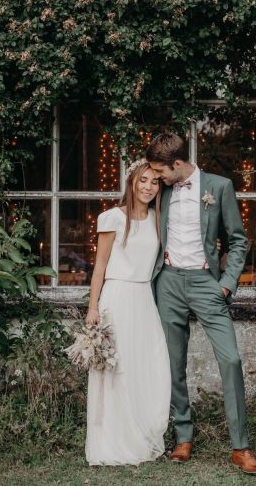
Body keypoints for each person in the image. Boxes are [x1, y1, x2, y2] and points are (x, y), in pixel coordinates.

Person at [146, 133, 256, 475]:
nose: (158, 178)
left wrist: (227, 285)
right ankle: (183, 435)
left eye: (161, 171)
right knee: (173, 364)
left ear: (179, 164)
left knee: (231, 359)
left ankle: (241, 447)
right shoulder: (161, 191)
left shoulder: (220, 187)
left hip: (206, 283)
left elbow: (238, 241)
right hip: (168, 281)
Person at [84, 160, 170, 466]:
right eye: (142, 180)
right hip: (117, 297)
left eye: (155, 182)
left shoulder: (159, 219)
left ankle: (142, 431)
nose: (148, 187)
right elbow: (99, 268)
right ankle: (115, 441)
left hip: (144, 299)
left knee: (148, 365)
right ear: (132, 182)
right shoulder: (112, 218)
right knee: (117, 370)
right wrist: (93, 308)